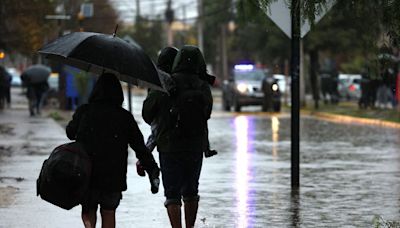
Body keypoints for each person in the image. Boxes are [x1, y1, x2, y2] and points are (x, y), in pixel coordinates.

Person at [66, 73, 159, 228]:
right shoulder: (124, 117)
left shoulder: (85, 111)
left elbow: (70, 133)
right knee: (109, 212)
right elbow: (140, 147)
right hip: (113, 175)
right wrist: (152, 170)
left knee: (88, 210)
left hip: (88, 171)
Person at [142, 45, 213, 228]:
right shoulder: (202, 85)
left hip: (169, 147)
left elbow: (147, 114)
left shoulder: (165, 84)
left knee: (172, 194)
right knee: (191, 191)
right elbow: (207, 113)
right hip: (195, 146)